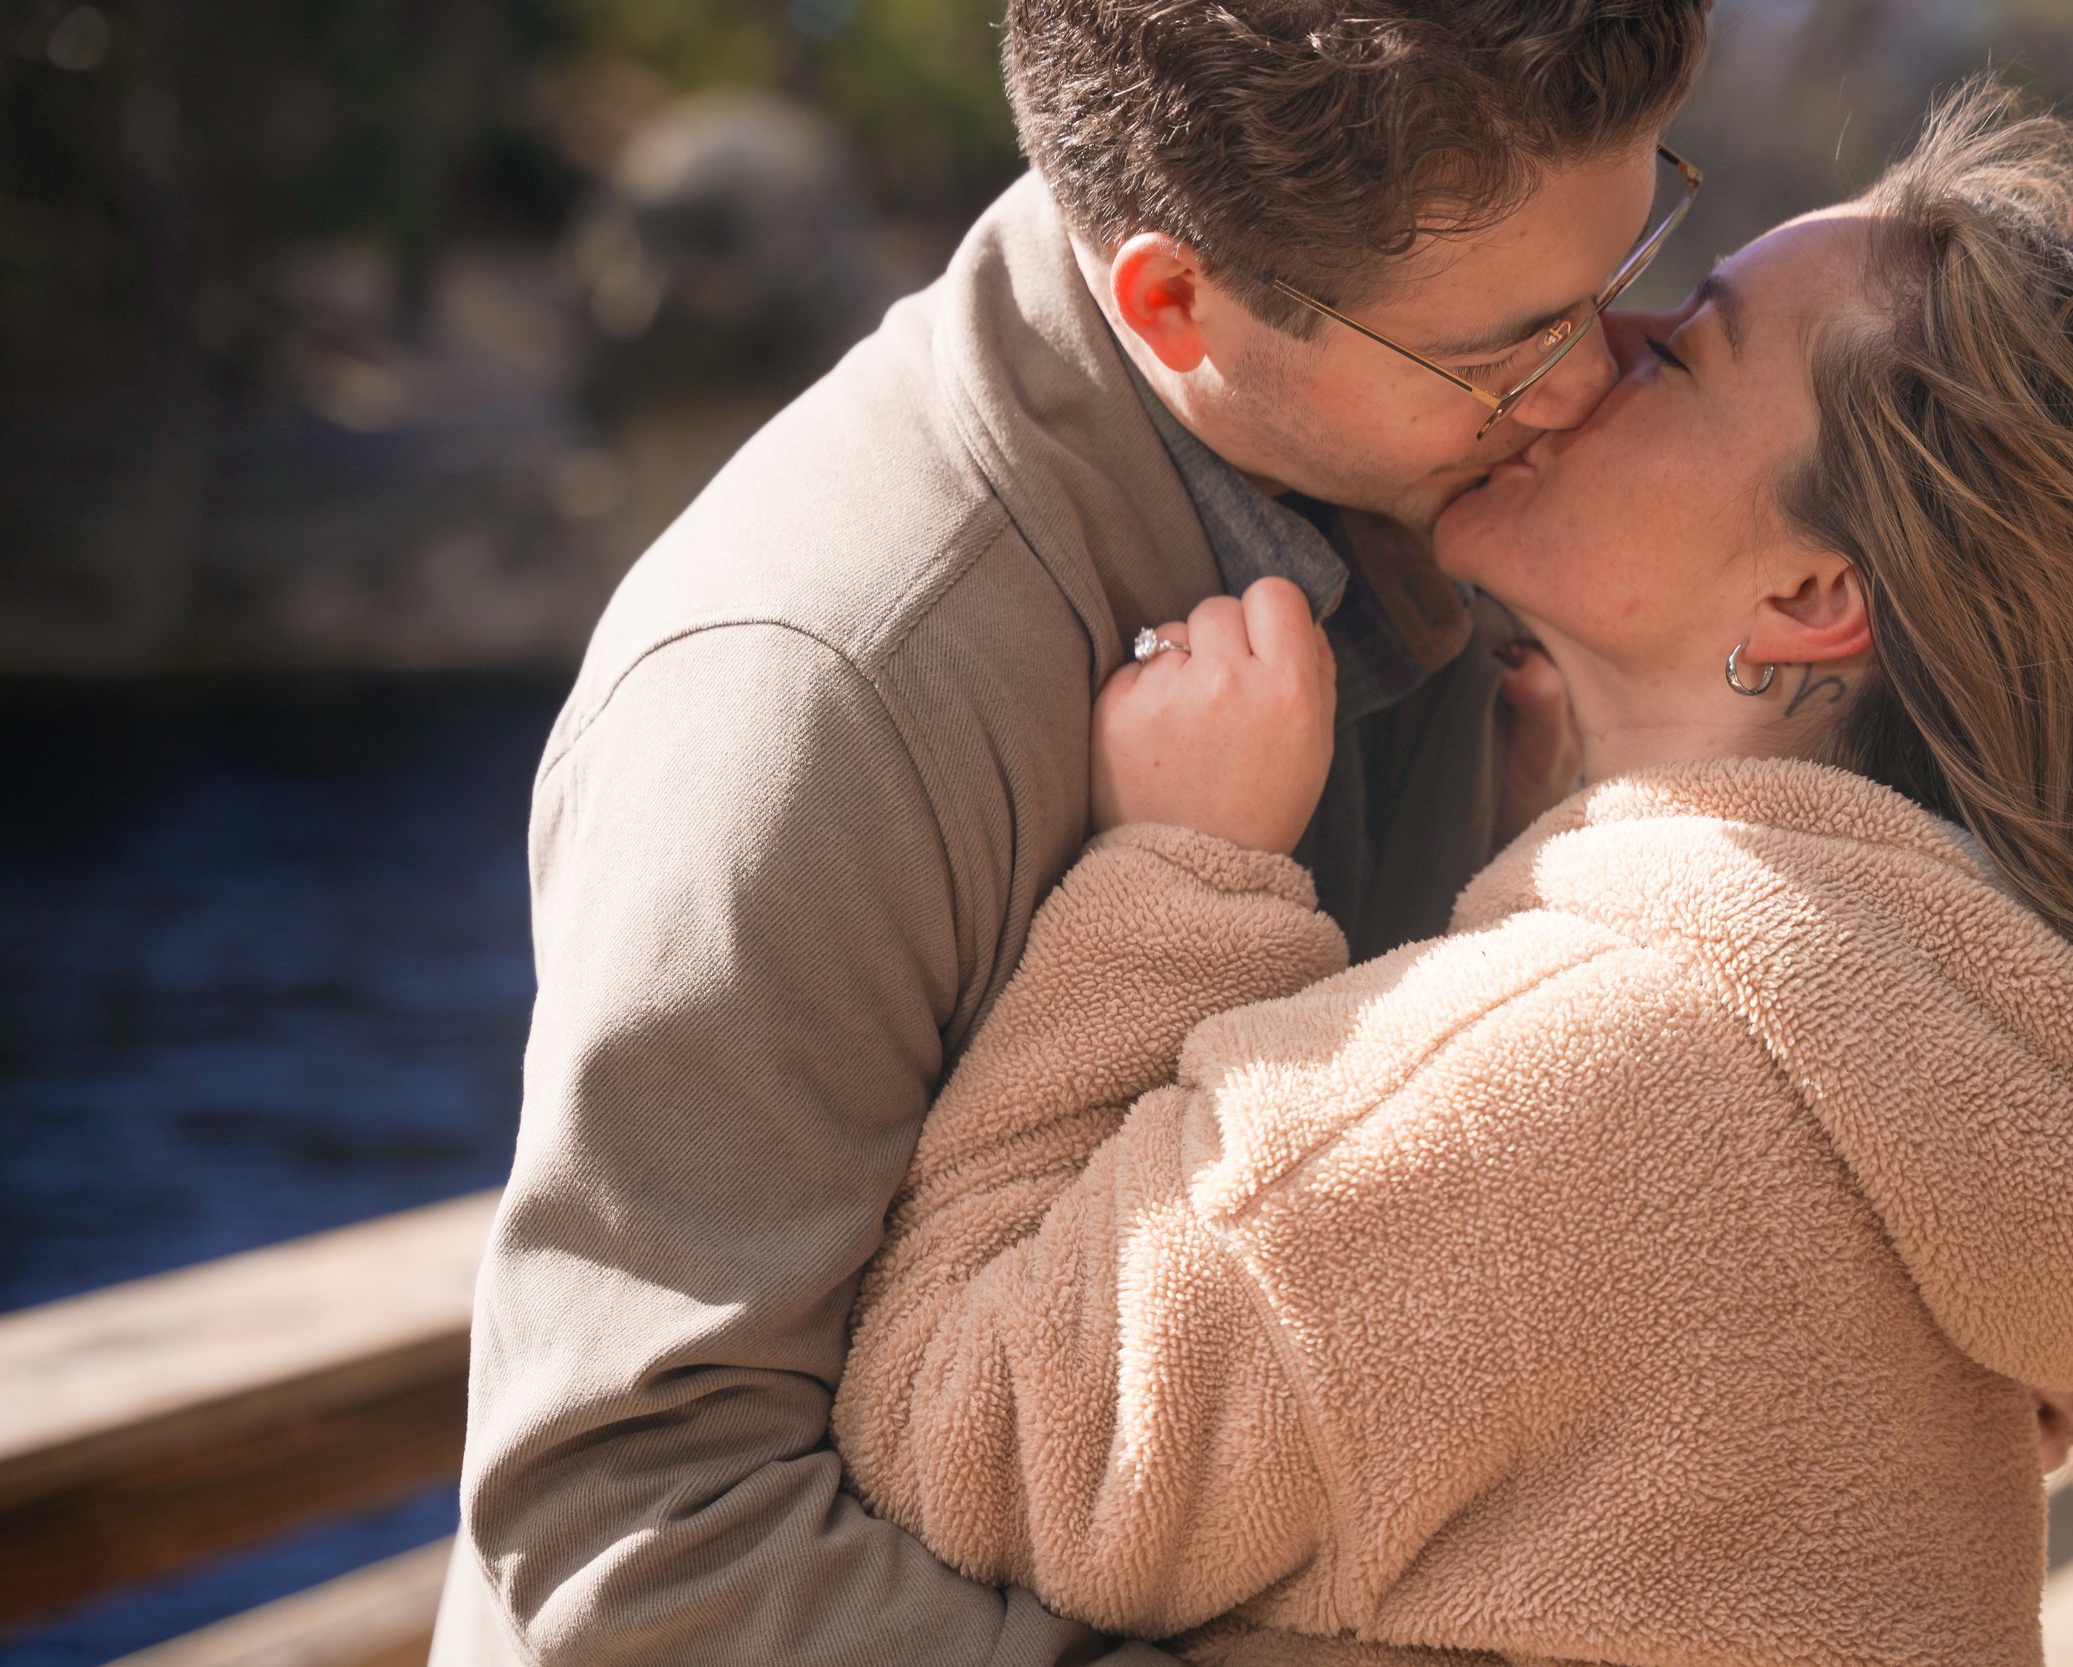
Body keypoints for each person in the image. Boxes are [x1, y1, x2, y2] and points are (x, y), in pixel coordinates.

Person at [830, 81, 2073, 1666]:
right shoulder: (1934, 1068)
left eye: (1682, 354)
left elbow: (959, 1438)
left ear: (1816, 591)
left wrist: (1175, 873)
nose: (1597, 349)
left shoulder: (1573, 1079)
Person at [429, 5, 1715, 1665]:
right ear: (1175, 304)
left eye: (1626, 268)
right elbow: (636, 1540)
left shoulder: (1400, 453)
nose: (1594, 388)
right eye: (1510, 349)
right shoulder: (817, 689)